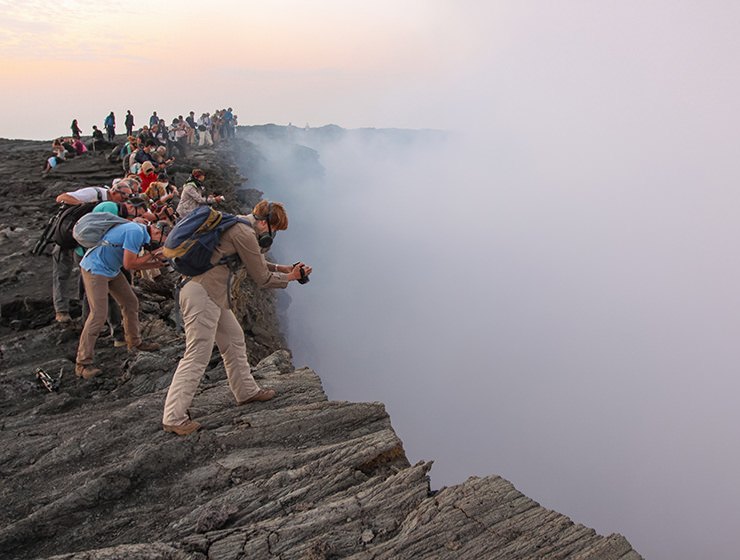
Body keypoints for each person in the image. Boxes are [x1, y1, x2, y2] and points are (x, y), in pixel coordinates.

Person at [162, 200, 312, 434]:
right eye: (274, 230)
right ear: (264, 223)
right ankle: (174, 417)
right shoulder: (244, 233)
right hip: (203, 294)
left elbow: (255, 260)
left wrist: (283, 269)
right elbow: (261, 277)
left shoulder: (241, 223)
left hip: (212, 294)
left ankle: (246, 391)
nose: (272, 235)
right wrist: (291, 277)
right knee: (197, 355)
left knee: (233, 339)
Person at [75, 220, 171, 379]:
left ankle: (135, 343)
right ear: (157, 232)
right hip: (96, 268)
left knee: (130, 302)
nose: (157, 244)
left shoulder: (140, 234)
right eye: (162, 241)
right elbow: (128, 264)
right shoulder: (136, 232)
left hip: (111, 269)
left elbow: (133, 265)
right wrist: (152, 255)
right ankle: (82, 363)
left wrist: (156, 263)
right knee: (98, 314)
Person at [52, 183, 134, 322]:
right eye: (124, 197)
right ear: (114, 192)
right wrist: (86, 206)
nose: (125, 202)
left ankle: (87, 315)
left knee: (86, 277)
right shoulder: (95, 193)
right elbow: (61, 198)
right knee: (62, 273)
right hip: (68, 234)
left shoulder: (112, 206)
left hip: (84, 241)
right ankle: (61, 311)